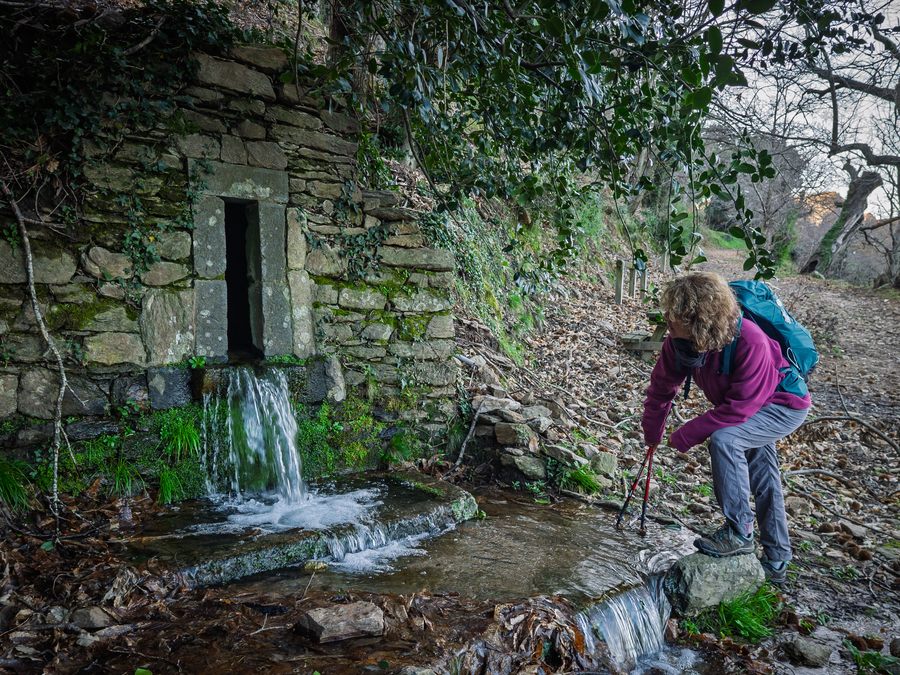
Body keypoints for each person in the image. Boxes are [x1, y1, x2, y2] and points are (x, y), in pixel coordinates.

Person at [641, 272, 811, 585]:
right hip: (750, 406)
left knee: (725, 440)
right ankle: (777, 558)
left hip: (783, 405)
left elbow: (738, 410)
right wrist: (652, 434)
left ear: (697, 317)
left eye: (673, 312)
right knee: (762, 472)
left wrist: (686, 434)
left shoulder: (750, 340)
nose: (666, 317)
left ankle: (739, 533)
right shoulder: (679, 343)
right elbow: (661, 389)